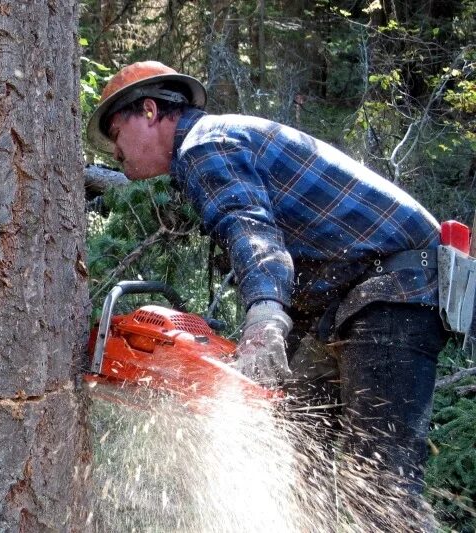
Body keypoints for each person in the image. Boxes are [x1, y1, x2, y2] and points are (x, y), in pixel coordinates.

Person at [86, 60, 447, 527]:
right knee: (290, 442)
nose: (115, 151)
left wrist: (264, 321)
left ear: (150, 111)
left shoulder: (204, 145)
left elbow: (250, 230)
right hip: (343, 300)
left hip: (394, 289)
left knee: (381, 477)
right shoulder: (216, 145)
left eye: (116, 133)